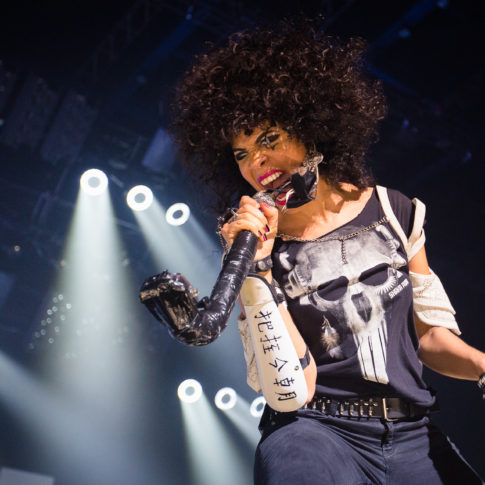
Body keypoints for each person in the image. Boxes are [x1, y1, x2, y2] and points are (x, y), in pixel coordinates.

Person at [172, 22, 485, 485]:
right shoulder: (254, 245)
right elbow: (291, 390)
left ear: (312, 127)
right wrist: (256, 271)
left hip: (412, 435)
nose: (256, 164)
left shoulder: (396, 211)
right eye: (240, 154)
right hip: (315, 431)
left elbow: (432, 340)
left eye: (269, 140)